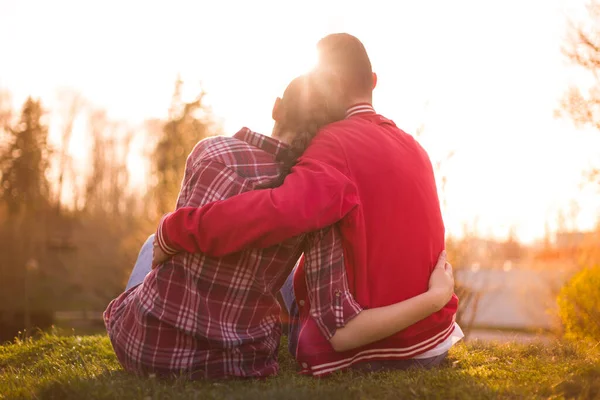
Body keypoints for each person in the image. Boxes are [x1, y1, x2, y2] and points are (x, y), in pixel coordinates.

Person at [104, 73, 455, 380]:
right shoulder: (313, 194)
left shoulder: (209, 151)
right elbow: (277, 215)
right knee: (284, 261)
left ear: (276, 108)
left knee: (154, 242)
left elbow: (236, 227)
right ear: (324, 128)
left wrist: (172, 231)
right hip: (241, 361)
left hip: (146, 347)